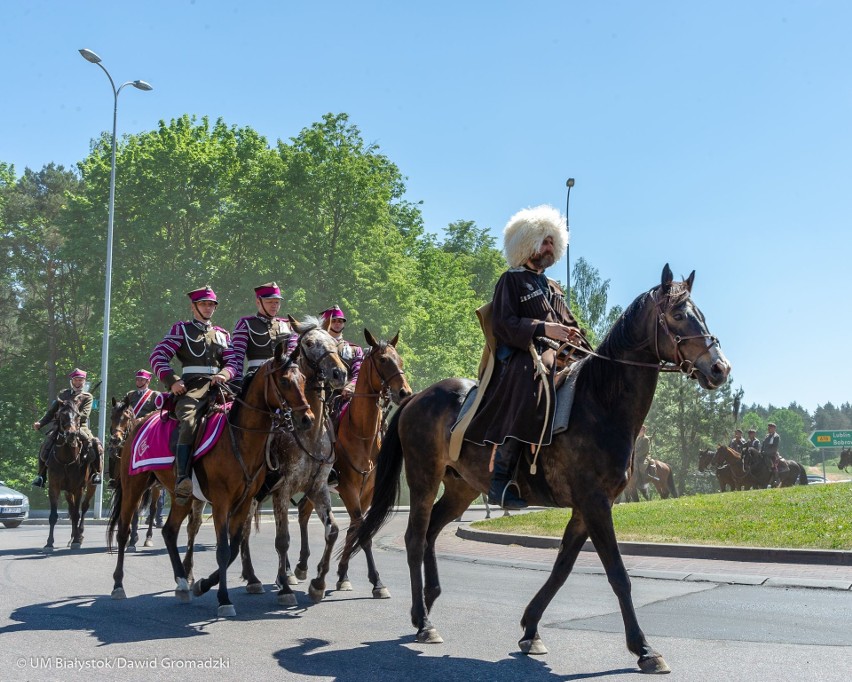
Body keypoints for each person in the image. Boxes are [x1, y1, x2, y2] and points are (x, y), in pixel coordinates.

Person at [464, 205, 587, 509]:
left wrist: (578, 341)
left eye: (551, 242)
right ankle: (500, 482)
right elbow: (504, 325)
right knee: (531, 382)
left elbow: (570, 325)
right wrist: (545, 328)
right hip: (522, 356)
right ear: (527, 244)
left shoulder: (553, 288)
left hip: (558, 354)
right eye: (543, 241)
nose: (549, 247)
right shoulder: (512, 281)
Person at [149, 286, 236, 504]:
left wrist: (225, 373)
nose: (208, 308)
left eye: (211, 305)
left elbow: (233, 362)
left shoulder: (222, 334)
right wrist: (172, 381)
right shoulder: (182, 330)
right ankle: (182, 479)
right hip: (191, 389)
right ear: (194, 306)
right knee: (187, 422)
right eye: (204, 304)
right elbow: (158, 356)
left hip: (221, 390)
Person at [31, 368, 102, 487]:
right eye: (76, 380)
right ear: (72, 381)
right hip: (62, 426)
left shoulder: (87, 396)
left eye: (81, 380)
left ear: (84, 382)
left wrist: (72, 415)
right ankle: (41, 476)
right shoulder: (63, 394)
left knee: (93, 443)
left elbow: (85, 415)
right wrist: (41, 423)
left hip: (80, 426)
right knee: (46, 443)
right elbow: (51, 411)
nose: (78, 383)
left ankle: (96, 473)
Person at [225, 282, 297, 382]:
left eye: (277, 302)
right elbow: (238, 357)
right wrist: (237, 382)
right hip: (255, 377)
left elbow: (293, 351)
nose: (274, 306)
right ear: (258, 302)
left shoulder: (289, 325)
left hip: (283, 376)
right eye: (269, 302)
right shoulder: (245, 323)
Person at [107, 369, 161, 489]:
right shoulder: (130, 394)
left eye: (141, 379)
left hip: (147, 426)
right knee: (113, 445)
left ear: (148, 381)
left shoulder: (154, 395)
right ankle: (112, 477)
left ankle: (158, 476)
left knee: (157, 445)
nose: (138, 381)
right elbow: (122, 408)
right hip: (129, 426)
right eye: (137, 379)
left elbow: (158, 411)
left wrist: (142, 419)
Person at [320, 305, 363, 400]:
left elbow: (358, 372)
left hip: (345, 396)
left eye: (340, 321)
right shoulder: (317, 347)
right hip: (319, 394)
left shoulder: (355, 349)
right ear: (325, 323)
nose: (337, 324)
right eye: (333, 321)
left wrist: (351, 386)